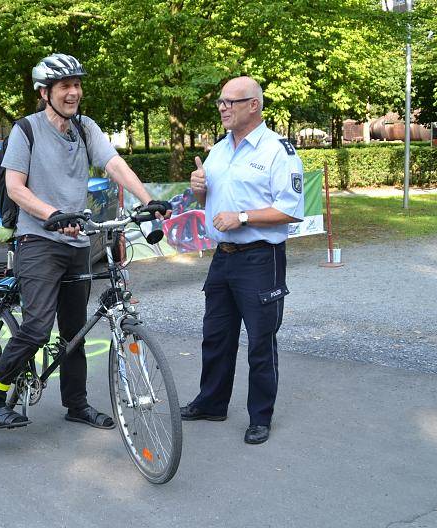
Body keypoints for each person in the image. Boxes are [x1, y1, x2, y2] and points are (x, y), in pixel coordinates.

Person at [0, 53, 172, 429]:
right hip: (38, 240)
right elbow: (15, 188)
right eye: (65, 86)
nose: (74, 93)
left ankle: (76, 403)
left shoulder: (85, 128)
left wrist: (146, 198)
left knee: (75, 329)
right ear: (44, 92)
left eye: (77, 85)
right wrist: (51, 214)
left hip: (77, 242)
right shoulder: (27, 130)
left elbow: (114, 163)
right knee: (37, 327)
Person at [182, 76, 304, 445]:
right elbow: (212, 205)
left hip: (260, 259)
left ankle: (260, 417)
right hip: (224, 258)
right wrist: (199, 190)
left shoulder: (277, 151)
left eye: (230, 102)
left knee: (260, 341)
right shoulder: (220, 150)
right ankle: (212, 403)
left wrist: (245, 217)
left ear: (254, 105)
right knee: (216, 336)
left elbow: (291, 209)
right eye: (220, 101)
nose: (223, 107)